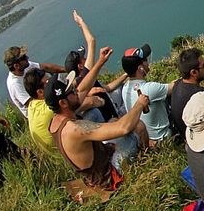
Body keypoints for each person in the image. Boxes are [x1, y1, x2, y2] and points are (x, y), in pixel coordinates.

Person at [47, 64, 150, 192]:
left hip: (96, 165)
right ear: (63, 103)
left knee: (112, 120)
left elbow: (83, 89)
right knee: (138, 126)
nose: (76, 91)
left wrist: (101, 61)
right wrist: (139, 104)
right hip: (107, 175)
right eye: (72, 91)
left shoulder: (56, 121)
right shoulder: (74, 129)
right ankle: (148, 157)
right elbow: (123, 128)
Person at [121, 45, 176, 145]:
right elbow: (175, 87)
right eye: (145, 60)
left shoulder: (125, 88)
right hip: (163, 138)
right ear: (140, 68)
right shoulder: (149, 88)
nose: (148, 62)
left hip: (146, 137)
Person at [4, 45, 64, 117]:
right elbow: (32, 104)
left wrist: (68, 69)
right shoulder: (14, 84)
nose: (27, 58)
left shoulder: (26, 65)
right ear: (16, 66)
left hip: (49, 101)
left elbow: (46, 67)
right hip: (40, 114)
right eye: (23, 58)